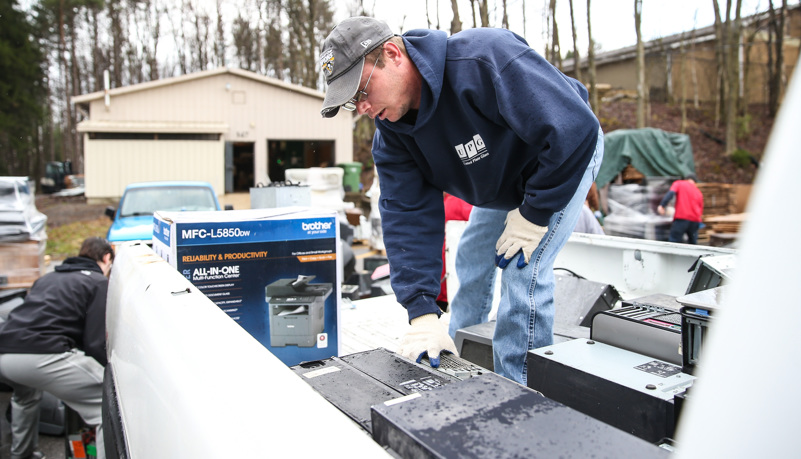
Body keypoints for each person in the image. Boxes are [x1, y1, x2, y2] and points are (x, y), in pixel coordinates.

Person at [318, 17, 603, 384]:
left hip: (561, 160)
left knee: (523, 269)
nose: (361, 108)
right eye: (351, 102)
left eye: (361, 92)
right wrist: (422, 310)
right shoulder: (393, 137)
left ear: (392, 54)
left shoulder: (483, 59)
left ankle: (522, 394)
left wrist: (534, 214)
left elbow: (572, 129)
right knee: (470, 261)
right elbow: (407, 217)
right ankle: (463, 368)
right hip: (500, 181)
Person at [0, 237, 113, 459]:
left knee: (26, 398)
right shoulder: (98, 282)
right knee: (106, 405)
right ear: (107, 257)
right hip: (41, 356)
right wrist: (109, 371)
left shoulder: (47, 278)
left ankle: (21, 455)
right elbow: (93, 342)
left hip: (6, 355)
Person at [657, 173, 704, 244]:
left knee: (674, 242)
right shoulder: (698, 192)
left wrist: (662, 205)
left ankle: (672, 255)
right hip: (695, 221)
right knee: (693, 245)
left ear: (686, 179)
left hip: (682, 219)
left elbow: (671, 193)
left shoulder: (679, 183)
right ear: (695, 181)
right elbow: (700, 209)